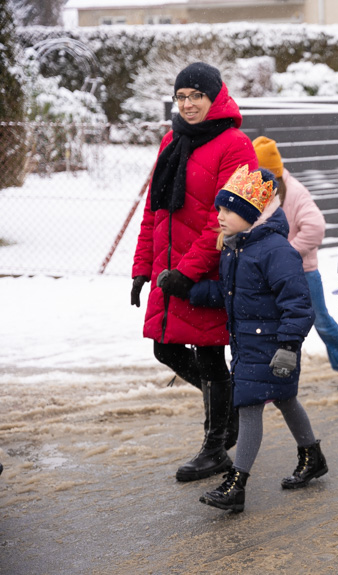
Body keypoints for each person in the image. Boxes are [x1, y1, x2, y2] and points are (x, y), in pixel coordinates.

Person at [131, 62, 257, 482]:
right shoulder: (173, 139)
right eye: (180, 97)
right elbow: (156, 211)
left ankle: (216, 445)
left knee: (209, 355)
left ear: (214, 97)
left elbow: (223, 219)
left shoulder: (235, 145)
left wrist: (188, 272)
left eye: (195, 96)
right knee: (165, 348)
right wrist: (142, 267)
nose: (187, 104)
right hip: (170, 267)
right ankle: (229, 408)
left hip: (210, 268)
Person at [188, 166, 321, 512]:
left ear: (251, 214)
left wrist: (289, 347)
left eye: (228, 210)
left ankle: (237, 483)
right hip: (248, 343)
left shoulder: (276, 251)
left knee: (249, 407)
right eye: (220, 209)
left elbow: (298, 302)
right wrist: (195, 291)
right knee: (285, 400)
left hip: (274, 345)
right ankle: (313, 455)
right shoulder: (236, 248)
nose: (220, 217)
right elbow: (233, 293)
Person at [253, 136, 338, 391]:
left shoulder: (295, 192)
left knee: (320, 320)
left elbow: (315, 228)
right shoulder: (257, 191)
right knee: (272, 324)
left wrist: (285, 255)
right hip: (266, 274)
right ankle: (274, 376)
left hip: (302, 272)